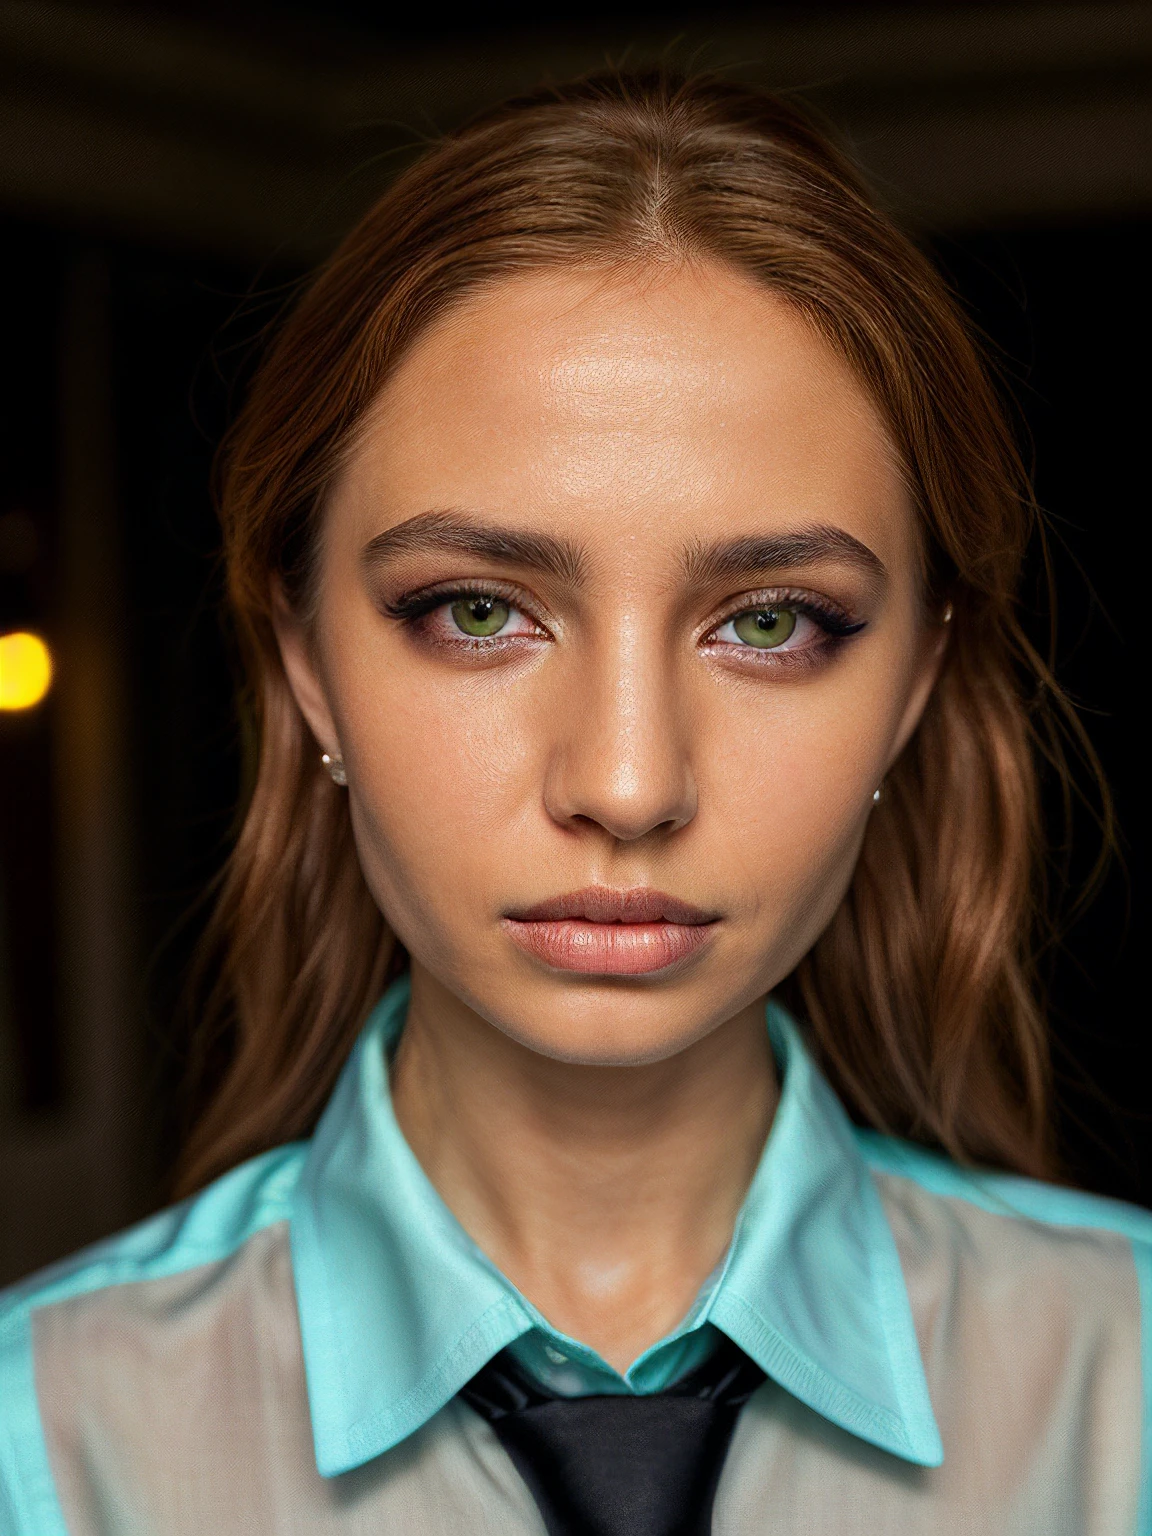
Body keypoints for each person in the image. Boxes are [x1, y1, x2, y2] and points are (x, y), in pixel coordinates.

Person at [0, 70, 1146, 1536]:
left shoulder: (1133, 1384)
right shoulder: (41, 1436)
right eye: (478, 613)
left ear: (914, 687)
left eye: (775, 621)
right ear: (305, 661)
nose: (626, 784)